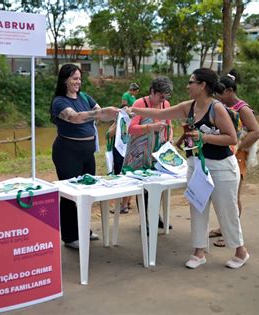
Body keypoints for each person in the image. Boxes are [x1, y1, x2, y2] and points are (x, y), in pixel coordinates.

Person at [125, 68, 250, 269]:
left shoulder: (216, 108)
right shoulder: (188, 106)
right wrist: (133, 110)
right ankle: (199, 252)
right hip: (196, 166)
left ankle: (240, 251)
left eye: (191, 82)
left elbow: (232, 138)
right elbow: (160, 113)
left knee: (226, 211)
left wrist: (203, 137)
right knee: (197, 207)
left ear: (202, 85)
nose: (187, 86)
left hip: (221, 168)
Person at [50, 64, 120, 250]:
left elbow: (100, 114)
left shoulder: (84, 97)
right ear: (65, 80)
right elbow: (76, 118)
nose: (77, 82)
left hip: (87, 153)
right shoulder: (59, 102)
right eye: (74, 78)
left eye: (79, 78)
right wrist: (100, 112)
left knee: (87, 191)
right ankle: (70, 236)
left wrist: (117, 113)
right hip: (67, 153)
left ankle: (84, 230)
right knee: (70, 194)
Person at [209, 69, 259, 247]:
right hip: (225, 154)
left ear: (230, 91)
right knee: (222, 195)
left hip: (237, 157)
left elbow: (256, 132)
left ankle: (230, 234)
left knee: (232, 197)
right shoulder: (224, 107)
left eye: (221, 93)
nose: (219, 97)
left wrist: (239, 146)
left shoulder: (243, 109)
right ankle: (223, 227)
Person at [124, 77, 173, 230]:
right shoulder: (140, 104)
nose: (162, 100)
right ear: (152, 92)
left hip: (157, 151)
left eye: (165, 97)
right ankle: (145, 220)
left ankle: (155, 216)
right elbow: (131, 129)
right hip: (139, 152)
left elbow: (169, 126)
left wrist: (169, 139)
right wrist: (152, 127)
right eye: (160, 96)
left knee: (158, 184)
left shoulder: (166, 105)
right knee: (143, 187)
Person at [107, 83, 140, 213]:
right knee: (124, 175)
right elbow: (108, 134)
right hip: (122, 153)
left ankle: (124, 205)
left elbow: (109, 134)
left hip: (127, 153)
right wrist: (118, 121)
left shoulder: (131, 124)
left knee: (126, 176)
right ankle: (125, 203)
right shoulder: (119, 124)